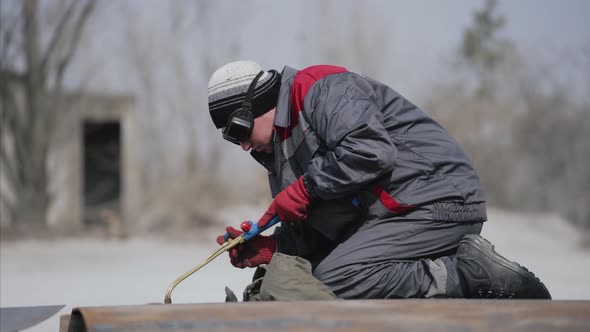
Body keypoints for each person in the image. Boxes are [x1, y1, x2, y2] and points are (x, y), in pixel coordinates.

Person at [207, 60, 551, 299]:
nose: (242, 145)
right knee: (313, 276)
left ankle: (466, 274)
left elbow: (371, 152)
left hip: (438, 200)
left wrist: (306, 187)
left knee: (337, 278)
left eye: (238, 130)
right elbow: (324, 222)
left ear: (257, 105)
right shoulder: (279, 149)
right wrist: (274, 248)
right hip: (392, 217)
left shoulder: (322, 89)